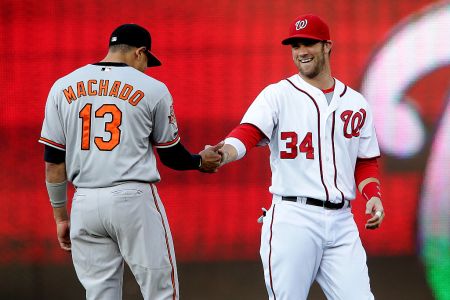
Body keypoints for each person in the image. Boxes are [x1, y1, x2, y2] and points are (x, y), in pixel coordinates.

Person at [39, 23, 222, 300]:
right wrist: (200, 162)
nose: (147, 67)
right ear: (140, 52)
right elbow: (171, 155)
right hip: (133, 200)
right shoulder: (153, 89)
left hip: (84, 203)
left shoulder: (62, 86)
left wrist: (61, 217)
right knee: (161, 291)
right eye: (148, 60)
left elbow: (53, 162)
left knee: (100, 294)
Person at [217, 14, 385, 299]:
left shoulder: (356, 103)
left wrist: (373, 195)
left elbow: (365, 160)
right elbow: (248, 133)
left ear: (327, 46)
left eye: (308, 43)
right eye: (295, 46)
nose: (301, 51)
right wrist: (224, 154)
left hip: (342, 222)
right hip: (293, 218)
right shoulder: (278, 95)